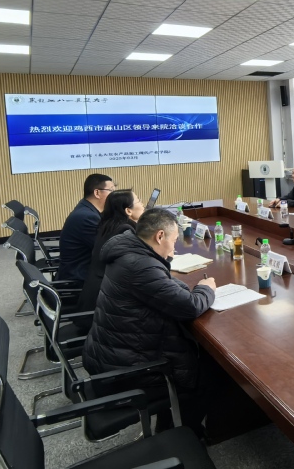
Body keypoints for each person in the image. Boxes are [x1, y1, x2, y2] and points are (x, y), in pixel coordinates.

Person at [82, 208, 217, 434]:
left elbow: (167, 284)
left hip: (113, 354)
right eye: (174, 240)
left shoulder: (130, 249)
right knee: (208, 374)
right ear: (160, 236)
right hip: (126, 371)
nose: (174, 247)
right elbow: (190, 306)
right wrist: (206, 289)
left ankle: (170, 423)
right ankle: (178, 435)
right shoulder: (140, 265)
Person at [72, 189, 145, 331]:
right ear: (128, 211)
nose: (142, 205)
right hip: (103, 310)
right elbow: (138, 266)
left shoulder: (108, 225)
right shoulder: (125, 232)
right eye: (139, 201)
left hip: (94, 297)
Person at [56, 173, 115, 285]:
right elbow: (107, 249)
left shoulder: (86, 208)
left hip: (81, 270)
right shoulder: (87, 217)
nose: (114, 195)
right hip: (79, 279)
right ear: (97, 193)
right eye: (111, 190)